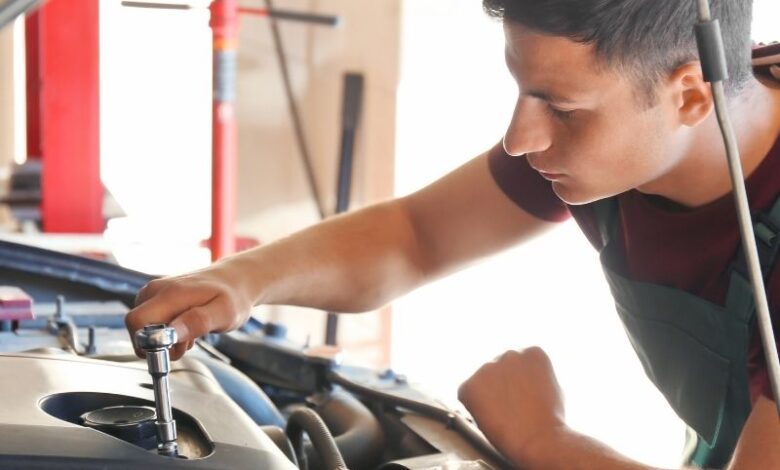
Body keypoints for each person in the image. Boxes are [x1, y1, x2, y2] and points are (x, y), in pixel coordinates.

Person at [125, 0, 780, 468]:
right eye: (524, 92)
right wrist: (242, 280)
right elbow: (416, 236)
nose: (521, 140)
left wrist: (548, 442)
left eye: (560, 107)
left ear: (693, 96)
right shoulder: (644, 130)